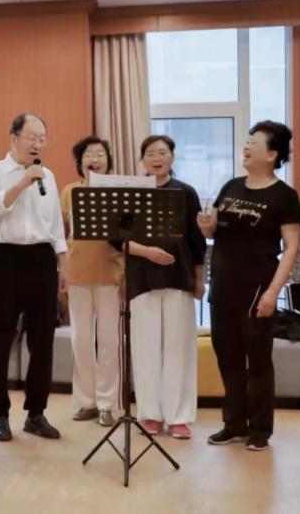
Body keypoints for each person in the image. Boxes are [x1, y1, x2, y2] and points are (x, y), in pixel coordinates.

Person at [197, 121, 300, 452]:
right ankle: (234, 424)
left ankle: (259, 430)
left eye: (254, 142)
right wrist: (206, 226)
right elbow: (213, 231)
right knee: (227, 359)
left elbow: (292, 247)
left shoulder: (284, 196)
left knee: (257, 363)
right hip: (223, 287)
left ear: (272, 154)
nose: (246, 146)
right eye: (247, 141)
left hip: (258, 289)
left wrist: (273, 292)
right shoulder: (231, 186)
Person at [0, 113, 68, 442]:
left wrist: (62, 262)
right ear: (13, 138)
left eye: (42, 138)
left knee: (42, 338)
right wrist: (22, 182)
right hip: (4, 259)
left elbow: (55, 224)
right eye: (32, 137)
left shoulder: (49, 176)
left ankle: (36, 413)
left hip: (41, 259)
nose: (38, 144)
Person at [126, 135, 206, 439]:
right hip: (141, 278)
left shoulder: (186, 192)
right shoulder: (132, 192)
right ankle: (150, 414)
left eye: (162, 152)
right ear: (142, 160)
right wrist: (146, 252)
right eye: (150, 153)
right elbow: (116, 239)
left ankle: (179, 417)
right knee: (145, 348)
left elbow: (197, 242)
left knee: (178, 348)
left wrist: (199, 279)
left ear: (172, 157)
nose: (156, 158)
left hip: (179, 276)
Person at [60, 136, 124, 427]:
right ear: (80, 162)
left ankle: (107, 404)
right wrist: (62, 271)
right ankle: (86, 401)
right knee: (80, 340)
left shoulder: (118, 192)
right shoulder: (69, 192)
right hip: (77, 274)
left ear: (108, 162)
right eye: (88, 154)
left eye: (100, 154)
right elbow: (61, 233)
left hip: (111, 274)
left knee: (109, 341)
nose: (94, 159)